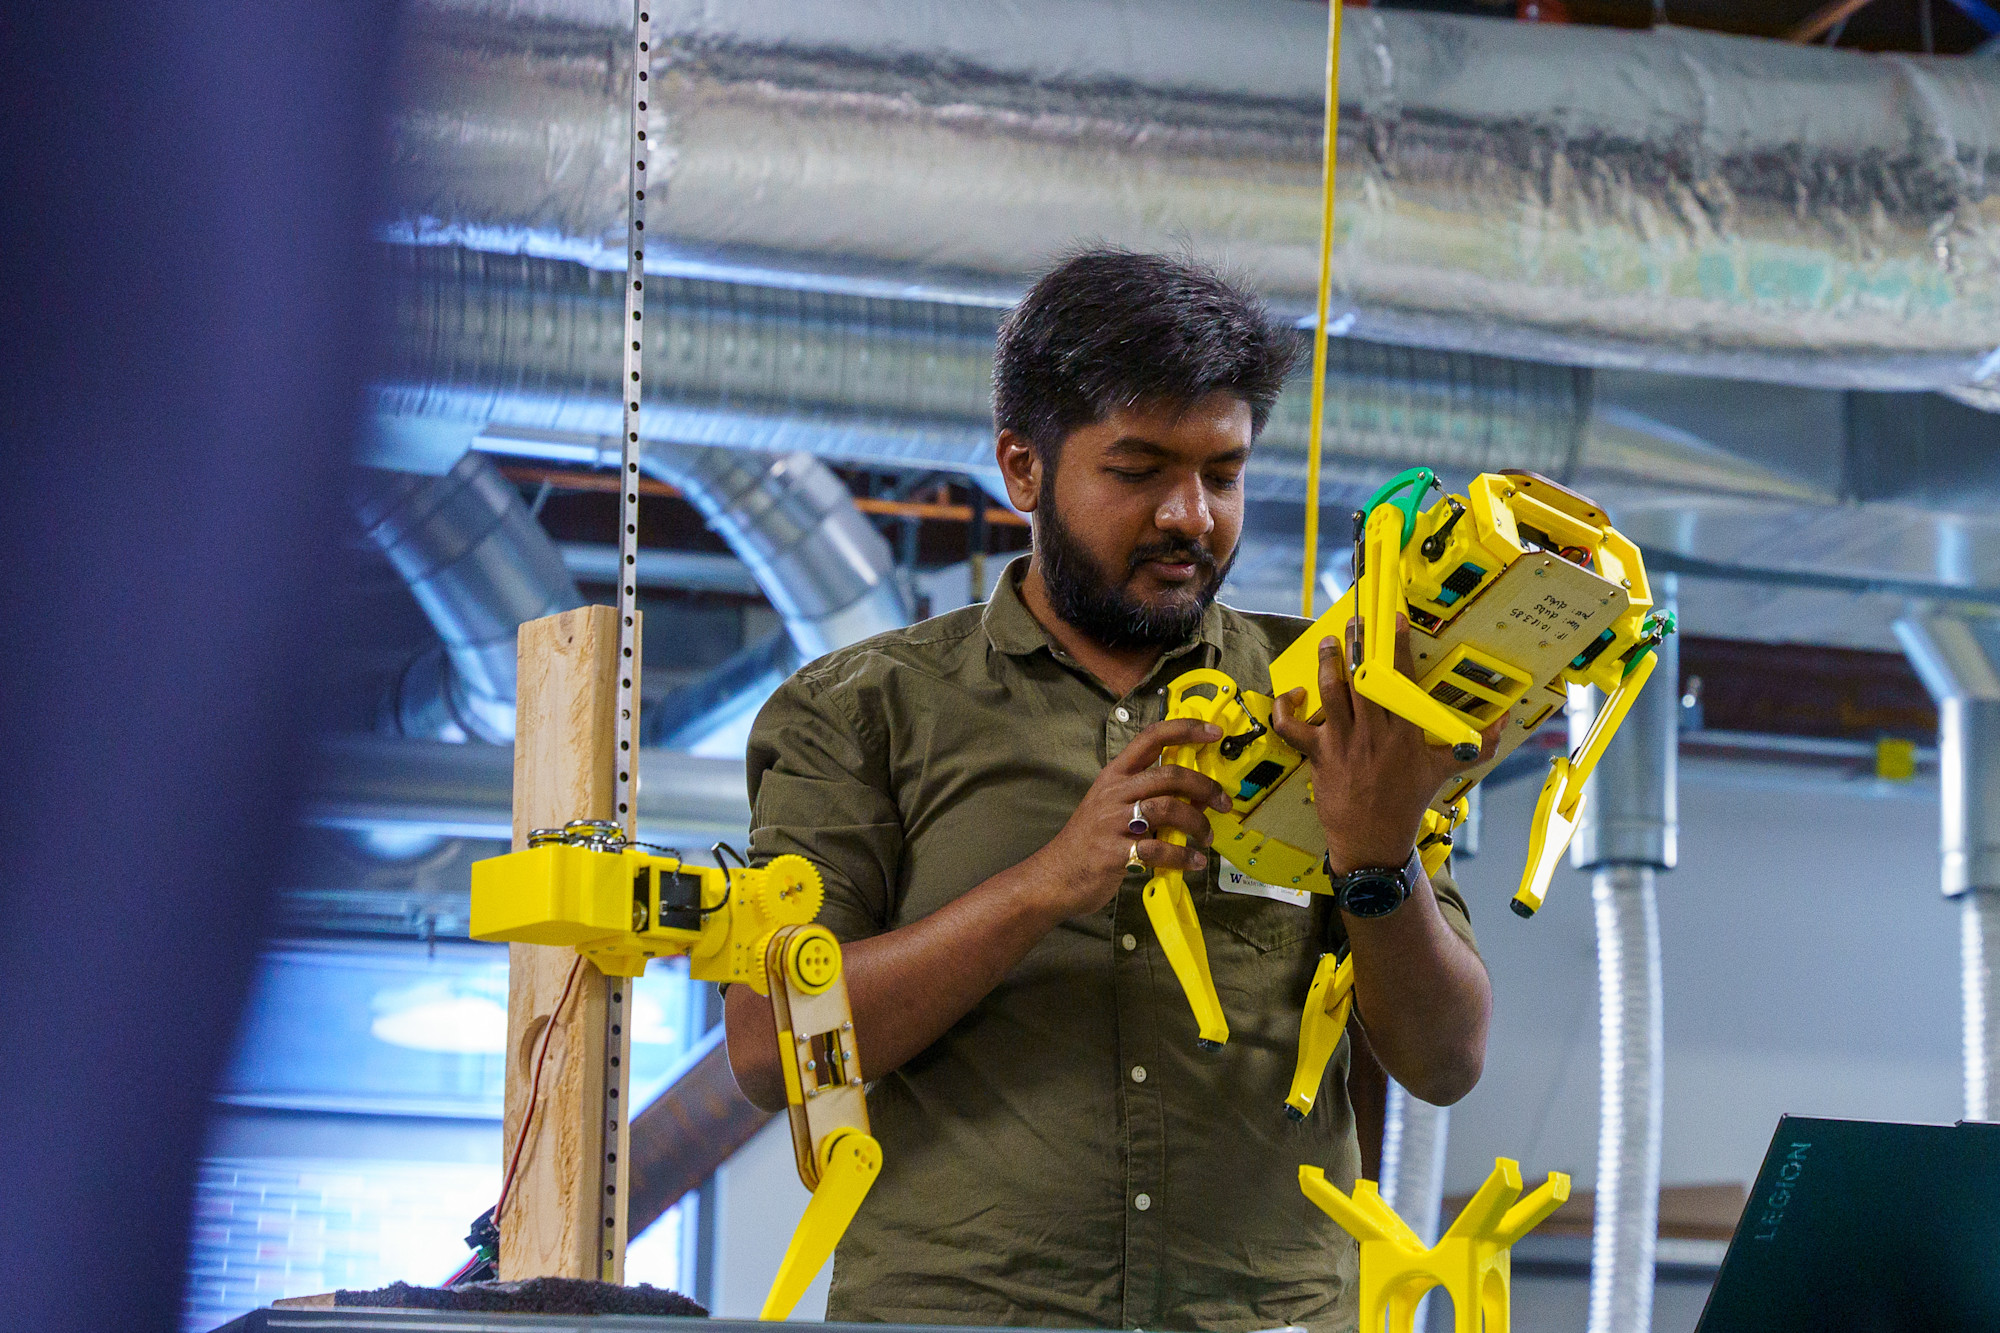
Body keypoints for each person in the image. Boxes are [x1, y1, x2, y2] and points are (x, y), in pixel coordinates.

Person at [724, 249, 1494, 1332]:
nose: (1190, 515)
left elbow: (1445, 1059)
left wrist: (1377, 862)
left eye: (1221, 475)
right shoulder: (862, 712)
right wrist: (1045, 884)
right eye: (1137, 471)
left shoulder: (1335, 704)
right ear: (1023, 470)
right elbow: (769, 1051)